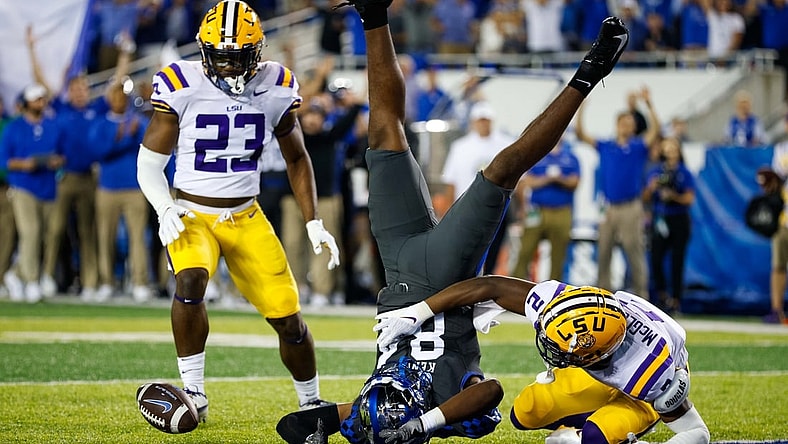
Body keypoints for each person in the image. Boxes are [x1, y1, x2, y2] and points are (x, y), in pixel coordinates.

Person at [275, 1, 630, 441]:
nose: (387, 397)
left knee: (385, 132)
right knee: (503, 169)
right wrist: (425, 424)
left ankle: (373, 14)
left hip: (397, 269)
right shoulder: (448, 408)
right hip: (445, 279)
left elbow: (292, 426)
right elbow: (491, 393)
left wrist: (336, 424)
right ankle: (589, 73)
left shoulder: (371, 409)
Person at [135, 0, 341, 421]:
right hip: (192, 211)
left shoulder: (276, 85)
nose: (228, 67)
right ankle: (194, 391)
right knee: (190, 280)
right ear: (204, 50)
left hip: (247, 216)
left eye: (237, 57)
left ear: (258, 51)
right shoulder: (181, 83)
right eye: (220, 57)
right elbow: (149, 162)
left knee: (290, 322)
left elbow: (298, 158)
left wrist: (314, 220)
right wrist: (164, 208)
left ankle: (311, 402)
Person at [374, 276, 711, 444]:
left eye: (563, 349)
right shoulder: (567, 303)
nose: (550, 348)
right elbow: (489, 286)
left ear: (593, 354)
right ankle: (578, 421)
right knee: (527, 410)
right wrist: (420, 312)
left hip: (639, 394)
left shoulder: (652, 373)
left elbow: (698, 433)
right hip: (600, 368)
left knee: (596, 439)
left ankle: (581, 432)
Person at [575, 85, 661, 298]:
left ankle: (642, 296)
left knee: (634, 252)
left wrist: (649, 105)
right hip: (608, 206)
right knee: (603, 252)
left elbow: (655, 131)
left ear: (633, 127)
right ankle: (603, 295)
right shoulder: (606, 145)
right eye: (623, 123)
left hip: (631, 206)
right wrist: (581, 109)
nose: (626, 127)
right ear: (617, 125)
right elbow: (581, 134)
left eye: (629, 124)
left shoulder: (638, 147)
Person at [0, 83, 65, 303]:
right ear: (26, 103)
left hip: (47, 186)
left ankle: (14, 273)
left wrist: (57, 161)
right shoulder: (13, 128)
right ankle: (31, 281)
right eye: (37, 99)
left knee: (47, 234)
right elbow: (3, 161)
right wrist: (23, 164)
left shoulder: (52, 126)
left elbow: (63, 155)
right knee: (31, 233)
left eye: (42, 98)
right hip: (22, 186)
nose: (41, 102)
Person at [440, 101, 516, 274]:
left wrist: (521, 207)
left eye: (486, 120)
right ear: (473, 122)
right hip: (468, 208)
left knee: (493, 252)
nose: (483, 124)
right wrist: (448, 212)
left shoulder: (504, 143)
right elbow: (451, 181)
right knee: (466, 251)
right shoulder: (460, 147)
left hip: (497, 208)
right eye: (480, 120)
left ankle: (486, 286)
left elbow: (519, 178)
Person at [512, 140, 580, 281]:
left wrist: (558, 179)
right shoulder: (536, 156)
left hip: (562, 211)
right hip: (536, 210)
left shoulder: (571, 158)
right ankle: (515, 285)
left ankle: (556, 293)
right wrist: (549, 179)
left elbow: (575, 182)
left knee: (558, 256)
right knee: (525, 251)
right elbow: (527, 182)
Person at [642, 137, 696, 314]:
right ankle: (662, 296)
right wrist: (652, 188)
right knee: (656, 259)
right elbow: (646, 197)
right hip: (661, 218)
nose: (670, 151)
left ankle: (676, 300)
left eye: (674, 148)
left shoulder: (684, 172)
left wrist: (673, 196)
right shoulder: (656, 171)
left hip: (678, 218)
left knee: (677, 261)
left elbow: (689, 198)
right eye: (667, 148)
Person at [763, 113, 788, 325]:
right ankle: (776, 309)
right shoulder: (781, 150)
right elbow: (776, 182)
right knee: (778, 265)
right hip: (784, 217)